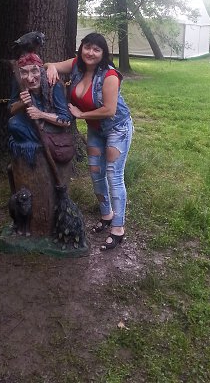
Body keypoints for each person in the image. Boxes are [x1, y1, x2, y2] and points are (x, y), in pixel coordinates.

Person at [44, 32, 133, 251]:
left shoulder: (109, 75)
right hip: (96, 129)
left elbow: (109, 110)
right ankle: (106, 215)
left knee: (114, 175)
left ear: (103, 53)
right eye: (87, 47)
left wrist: (81, 115)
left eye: (96, 49)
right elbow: (49, 64)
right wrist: (51, 67)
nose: (90, 52)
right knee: (95, 172)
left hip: (117, 128)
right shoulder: (76, 65)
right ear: (81, 47)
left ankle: (118, 229)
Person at [8, 53, 71, 166]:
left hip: (51, 128)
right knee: (14, 124)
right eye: (24, 73)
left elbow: (66, 121)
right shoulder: (19, 82)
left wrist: (41, 114)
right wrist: (21, 103)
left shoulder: (54, 85)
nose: (30, 78)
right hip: (31, 124)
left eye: (34, 71)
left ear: (41, 71)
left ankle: (44, 143)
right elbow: (11, 110)